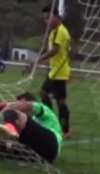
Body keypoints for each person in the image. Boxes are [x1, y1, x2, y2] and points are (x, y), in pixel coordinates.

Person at [28, 7, 72, 138]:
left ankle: (64, 129)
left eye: (48, 18)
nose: (46, 21)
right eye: (44, 19)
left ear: (56, 17)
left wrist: (38, 60)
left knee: (58, 100)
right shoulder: (54, 32)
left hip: (59, 71)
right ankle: (53, 122)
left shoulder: (61, 31)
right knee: (48, 95)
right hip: (54, 71)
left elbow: (55, 51)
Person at [0, 92, 63, 164]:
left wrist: (2, 107)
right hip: (42, 156)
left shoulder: (43, 110)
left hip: (52, 143)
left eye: (20, 104)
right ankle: (9, 139)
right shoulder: (27, 123)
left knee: (11, 111)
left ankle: (10, 127)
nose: (19, 108)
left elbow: (27, 105)